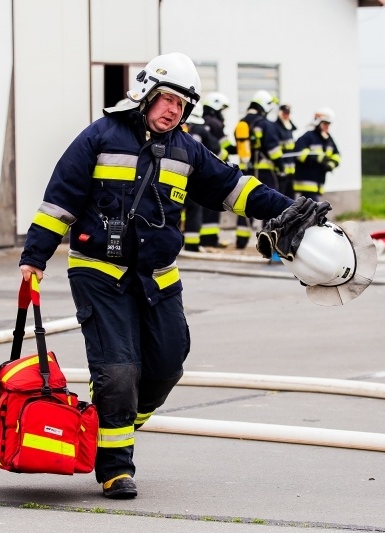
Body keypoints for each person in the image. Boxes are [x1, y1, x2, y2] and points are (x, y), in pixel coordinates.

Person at [18, 52, 301, 499]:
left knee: (168, 364)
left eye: (182, 104)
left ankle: (110, 423)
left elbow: (235, 188)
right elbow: (60, 200)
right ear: (146, 94)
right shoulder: (99, 137)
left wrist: (290, 207)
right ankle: (114, 468)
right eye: (167, 99)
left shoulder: (186, 150)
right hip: (99, 272)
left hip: (158, 276)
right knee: (118, 370)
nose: (173, 110)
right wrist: (35, 256)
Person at [233, 90, 285, 248]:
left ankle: (241, 241)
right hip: (265, 173)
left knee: (243, 204)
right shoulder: (264, 124)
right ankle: (268, 242)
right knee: (269, 204)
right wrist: (280, 166)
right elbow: (274, 150)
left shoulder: (242, 123)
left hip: (245, 171)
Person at [181, 103, 222, 251]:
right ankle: (191, 244)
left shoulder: (184, 131)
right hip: (195, 178)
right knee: (193, 209)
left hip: (182, 176)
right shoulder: (198, 130)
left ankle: (187, 242)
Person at [199, 92, 235, 247]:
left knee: (203, 205)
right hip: (215, 170)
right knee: (213, 205)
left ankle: (207, 239)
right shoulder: (215, 123)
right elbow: (226, 147)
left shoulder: (203, 122)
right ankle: (210, 240)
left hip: (202, 171)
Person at [292, 108, 341, 201]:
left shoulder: (328, 139)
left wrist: (331, 164)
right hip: (306, 182)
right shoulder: (308, 136)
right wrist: (318, 158)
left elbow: (337, 155)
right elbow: (299, 153)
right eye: (325, 123)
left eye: (329, 124)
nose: (327, 126)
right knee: (313, 209)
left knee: (308, 211)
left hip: (318, 182)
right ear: (318, 123)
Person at [274, 104, 297, 198]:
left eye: (288, 113)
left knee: (291, 197)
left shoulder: (289, 127)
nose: (286, 115)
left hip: (291, 171)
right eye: (284, 113)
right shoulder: (276, 127)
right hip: (281, 170)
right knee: (281, 195)